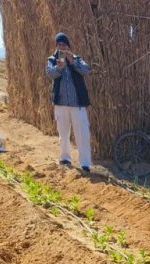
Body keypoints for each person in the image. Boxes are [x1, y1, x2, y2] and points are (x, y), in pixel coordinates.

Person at [45, 32, 92, 173]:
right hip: (61, 104)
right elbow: (49, 74)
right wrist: (59, 67)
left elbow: (85, 70)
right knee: (63, 133)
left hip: (77, 104)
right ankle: (65, 158)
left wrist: (73, 62)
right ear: (56, 46)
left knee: (82, 133)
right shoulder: (52, 60)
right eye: (59, 44)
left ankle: (85, 163)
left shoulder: (76, 58)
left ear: (68, 46)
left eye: (64, 44)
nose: (62, 47)